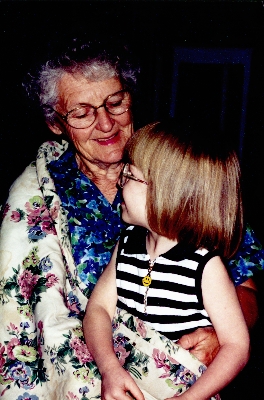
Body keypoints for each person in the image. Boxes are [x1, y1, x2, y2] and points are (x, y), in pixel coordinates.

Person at [0, 38, 262, 399]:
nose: (105, 123)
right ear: (56, 123)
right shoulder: (37, 193)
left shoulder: (175, 166)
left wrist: (220, 337)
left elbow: (244, 289)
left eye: (115, 102)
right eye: (82, 112)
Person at [83, 120, 250, 400]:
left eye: (129, 175)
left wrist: (190, 398)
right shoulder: (126, 244)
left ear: (167, 193)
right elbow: (98, 310)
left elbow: (236, 347)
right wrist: (110, 368)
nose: (118, 181)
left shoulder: (205, 266)